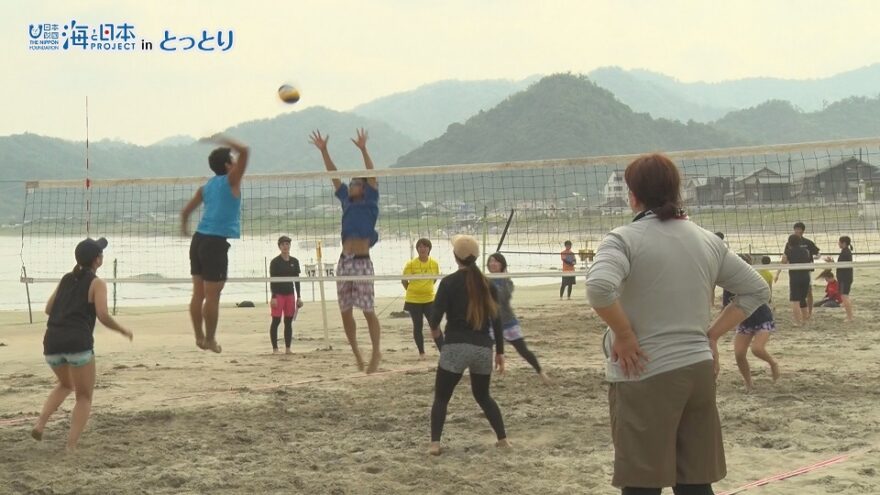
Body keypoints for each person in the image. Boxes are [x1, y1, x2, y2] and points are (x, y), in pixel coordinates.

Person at [586, 154, 769, 495]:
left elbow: (598, 288)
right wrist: (711, 336)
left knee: (642, 484)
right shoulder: (706, 239)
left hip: (645, 370)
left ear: (634, 195)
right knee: (695, 482)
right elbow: (757, 289)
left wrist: (624, 334)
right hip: (697, 368)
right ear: (675, 191)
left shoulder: (624, 238)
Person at [32, 238, 134, 451]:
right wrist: (123, 330)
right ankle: (71, 446)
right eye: (101, 254)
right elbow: (103, 316)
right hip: (78, 342)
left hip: (52, 343)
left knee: (66, 384)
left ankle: (40, 425)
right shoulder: (97, 283)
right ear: (98, 260)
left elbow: (49, 309)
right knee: (84, 396)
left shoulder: (66, 278)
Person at [428, 235, 510, 456]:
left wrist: (437, 337)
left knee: (442, 397)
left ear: (455, 257)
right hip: (483, 348)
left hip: (456, 345)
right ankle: (503, 440)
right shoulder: (488, 284)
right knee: (483, 396)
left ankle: (435, 444)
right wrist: (500, 352)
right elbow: (497, 321)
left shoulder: (448, 283)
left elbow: (435, 318)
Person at [309, 128, 382, 373]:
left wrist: (363, 149)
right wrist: (324, 150)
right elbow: (334, 175)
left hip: (362, 261)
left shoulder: (370, 201)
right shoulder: (346, 201)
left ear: (363, 188)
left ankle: (375, 352)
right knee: (345, 311)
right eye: (350, 183)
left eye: (355, 183)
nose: (350, 185)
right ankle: (357, 354)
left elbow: (372, 174)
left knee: (368, 310)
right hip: (344, 261)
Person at [180, 134, 249, 353]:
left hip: (198, 239)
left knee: (197, 294)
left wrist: (185, 230)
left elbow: (185, 212)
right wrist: (223, 140)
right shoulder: (231, 179)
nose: (237, 164)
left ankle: (199, 336)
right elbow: (245, 150)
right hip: (215, 243)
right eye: (233, 161)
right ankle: (209, 339)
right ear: (229, 165)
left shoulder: (206, 187)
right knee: (212, 296)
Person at [487, 252, 552, 385]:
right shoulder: (485, 280)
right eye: (491, 261)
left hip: (508, 322)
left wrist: (503, 278)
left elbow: (503, 298)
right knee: (483, 350)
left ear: (502, 265)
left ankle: (541, 372)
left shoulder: (507, 281)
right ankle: (487, 376)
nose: (493, 264)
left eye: (496, 261)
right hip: (491, 323)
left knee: (523, 350)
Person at [723, 254, 779, 393]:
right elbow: (726, 308)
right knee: (739, 354)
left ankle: (773, 363)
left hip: (762, 318)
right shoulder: (728, 284)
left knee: (757, 349)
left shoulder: (752, 280)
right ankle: (749, 383)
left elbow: (766, 294)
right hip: (745, 321)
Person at [401, 238, 442, 358]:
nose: (422, 249)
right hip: (414, 300)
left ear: (429, 249)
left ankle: (443, 351)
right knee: (417, 326)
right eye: (420, 247)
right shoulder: (411, 264)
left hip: (429, 299)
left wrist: (426, 288)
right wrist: (412, 290)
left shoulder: (434, 263)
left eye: (425, 246)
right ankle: (422, 352)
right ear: (417, 249)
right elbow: (404, 281)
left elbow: (434, 279)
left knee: (435, 325)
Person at [269, 235, 303, 354]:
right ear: (279, 246)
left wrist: (298, 296)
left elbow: (296, 280)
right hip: (278, 295)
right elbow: (272, 280)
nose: (285, 246)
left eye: (287, 244)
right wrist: (273, 297)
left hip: (290, 294)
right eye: (283, 244)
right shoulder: (275, 262)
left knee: (288, 322)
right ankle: (275, 349)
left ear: (290, 246)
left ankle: (288, 349)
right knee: (276, 321)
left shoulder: (294, 261)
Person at [777, 234, 812, 326]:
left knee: (795, 300)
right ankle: (805, 319)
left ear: (789, 242)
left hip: (795, 277)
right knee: (802, 299)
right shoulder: (806, 251)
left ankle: (798, 322)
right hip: (806, 276)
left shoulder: (788, 252)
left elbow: (783, 262)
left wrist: (777, 274)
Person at [792, 222, 820, 313]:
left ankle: (810, 312)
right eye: (795, 229)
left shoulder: (808, 242)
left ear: (802, 231)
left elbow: (818, 254)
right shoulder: (790, 242)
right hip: (794, 271)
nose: (797, 231)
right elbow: (786, 256)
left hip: (806, 270)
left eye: (798, 229)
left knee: (808, 291)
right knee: (796, 293)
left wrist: (811, 258)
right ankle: (800, 312)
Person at [824, 236, 854, 321]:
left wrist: (832, 263)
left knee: (844, 296)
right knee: (844, 296)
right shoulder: (845, 251)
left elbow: (841, 266)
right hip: (844, 278)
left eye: (839, 242)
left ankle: (850, 317)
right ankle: (849, 316)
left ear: (843, 243)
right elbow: (840, 266)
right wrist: (832, 262)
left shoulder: (845, 252)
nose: (838, 243)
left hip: (845, 278)